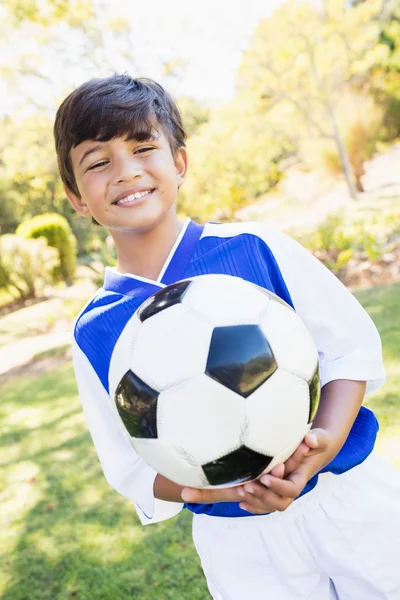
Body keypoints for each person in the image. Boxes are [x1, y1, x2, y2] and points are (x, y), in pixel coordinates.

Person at [54, 73, 400, 600]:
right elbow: (129, 467)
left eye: (144, 148)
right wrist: (213, 485)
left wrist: (322, 445)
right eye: (98, 162)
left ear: (180, 163)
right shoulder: (96, 330)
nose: (126, 172)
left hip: (346, 496)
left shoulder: (255, 248)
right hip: (239, 542)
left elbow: (350, 348)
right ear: (77, 197)